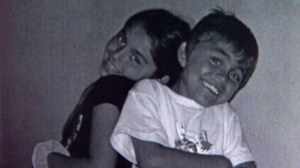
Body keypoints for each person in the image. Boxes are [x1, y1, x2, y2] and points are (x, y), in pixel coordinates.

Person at [32, 9, 190, 168]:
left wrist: (49, 158)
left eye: (135, 59)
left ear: (160, 79)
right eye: (122, 39)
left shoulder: (110, 88)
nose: (116, 55)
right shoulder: (140, 104)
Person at [111, 9, 258, 168]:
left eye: (234, 75)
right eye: (216, 60)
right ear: (184, 54)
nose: (222, 77)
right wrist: (220, 164)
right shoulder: (149, 93)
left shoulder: (226, 116)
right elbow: (152, 160)